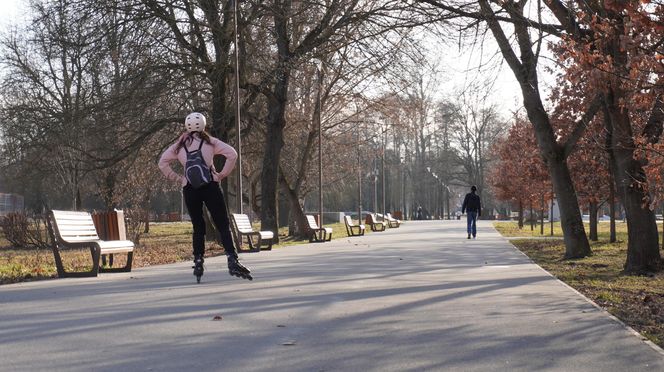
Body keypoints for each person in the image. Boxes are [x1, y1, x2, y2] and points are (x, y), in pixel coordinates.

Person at [158, 112, 252, 282]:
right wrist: (222, 174)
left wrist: (179, 178)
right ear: (203, 125)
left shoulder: (179, 145)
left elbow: (162, 162)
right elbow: (232, 154)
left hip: (190, 188)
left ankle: (199, 260)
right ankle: (232, 259)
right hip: (210, 186)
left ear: (187, 126)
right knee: (222, 223)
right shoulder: (210, 142)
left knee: (198, 226)